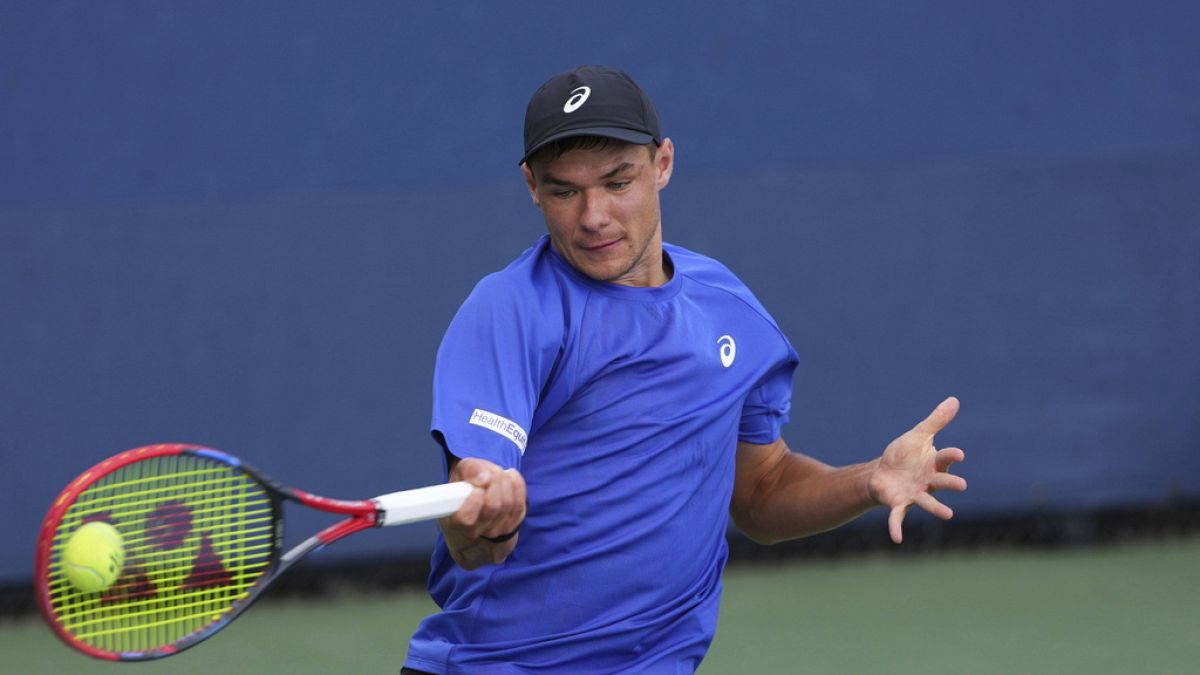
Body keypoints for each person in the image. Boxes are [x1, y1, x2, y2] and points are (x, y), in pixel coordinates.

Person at [403, 65, 967, 674]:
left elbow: (760, 490)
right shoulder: (511, 309)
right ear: (531, 186)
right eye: (564, 190)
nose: (593, 215)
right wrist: (486, 521)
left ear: (663, 164)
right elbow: (476, 520)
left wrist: (870, 479)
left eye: (618, 182)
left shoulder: (729, 310)